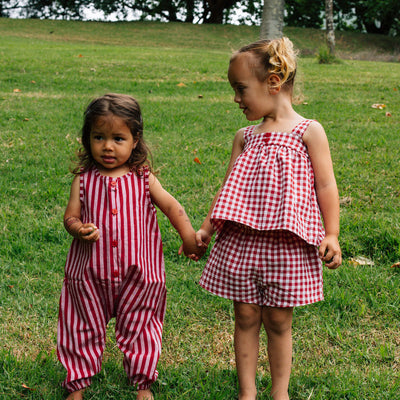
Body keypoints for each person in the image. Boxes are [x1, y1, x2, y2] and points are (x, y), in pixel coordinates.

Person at [194, 38, 342, 400]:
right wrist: (207, 227)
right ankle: (247, 393)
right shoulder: (245, 137)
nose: (236, 98)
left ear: (273, 82)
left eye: (240, 89)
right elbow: (228, 187)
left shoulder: (308, 131)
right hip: (242, 244)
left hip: (286, 246)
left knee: (278, 320)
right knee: (245, 316)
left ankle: (280, 393)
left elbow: (326, 185)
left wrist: (332, 233)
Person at [57, 93, 199, 400]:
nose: (108, 146)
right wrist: (78, 228)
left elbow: (173, 207)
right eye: (99, 137)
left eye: (118, 138)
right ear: (87, 139)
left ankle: (143, 382)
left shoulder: (143, 177)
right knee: (80, 325)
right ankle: (77, 382)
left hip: (139, 275)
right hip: (89, 276)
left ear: (135, 140)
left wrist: (188, 237)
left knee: (142, 327)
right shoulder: (83, 180)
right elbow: (70, 216)